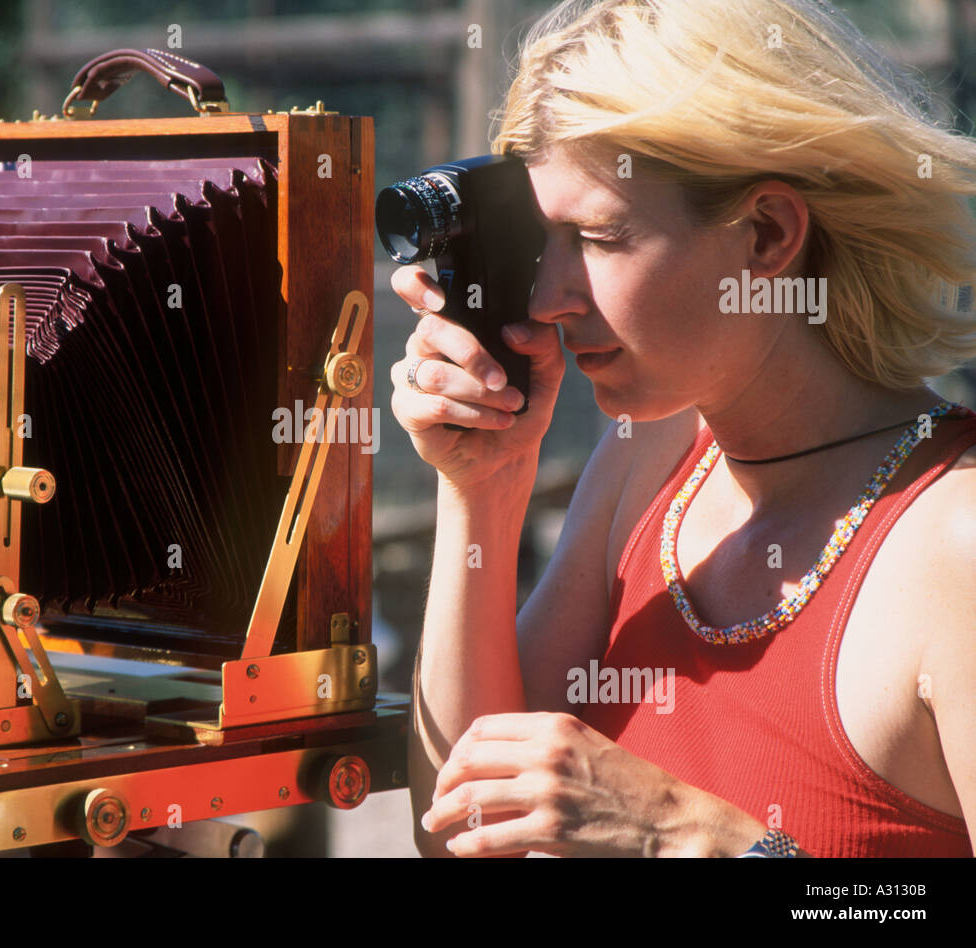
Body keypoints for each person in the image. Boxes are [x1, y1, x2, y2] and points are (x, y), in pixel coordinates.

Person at [391, 0, 976, 857]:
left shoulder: (953, 543)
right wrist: (484, 485)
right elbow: (463, 835)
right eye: (541, 244)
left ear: (769, 234)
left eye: (595, 237)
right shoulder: (653, 460)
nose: (551, 296)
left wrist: (704, 841)